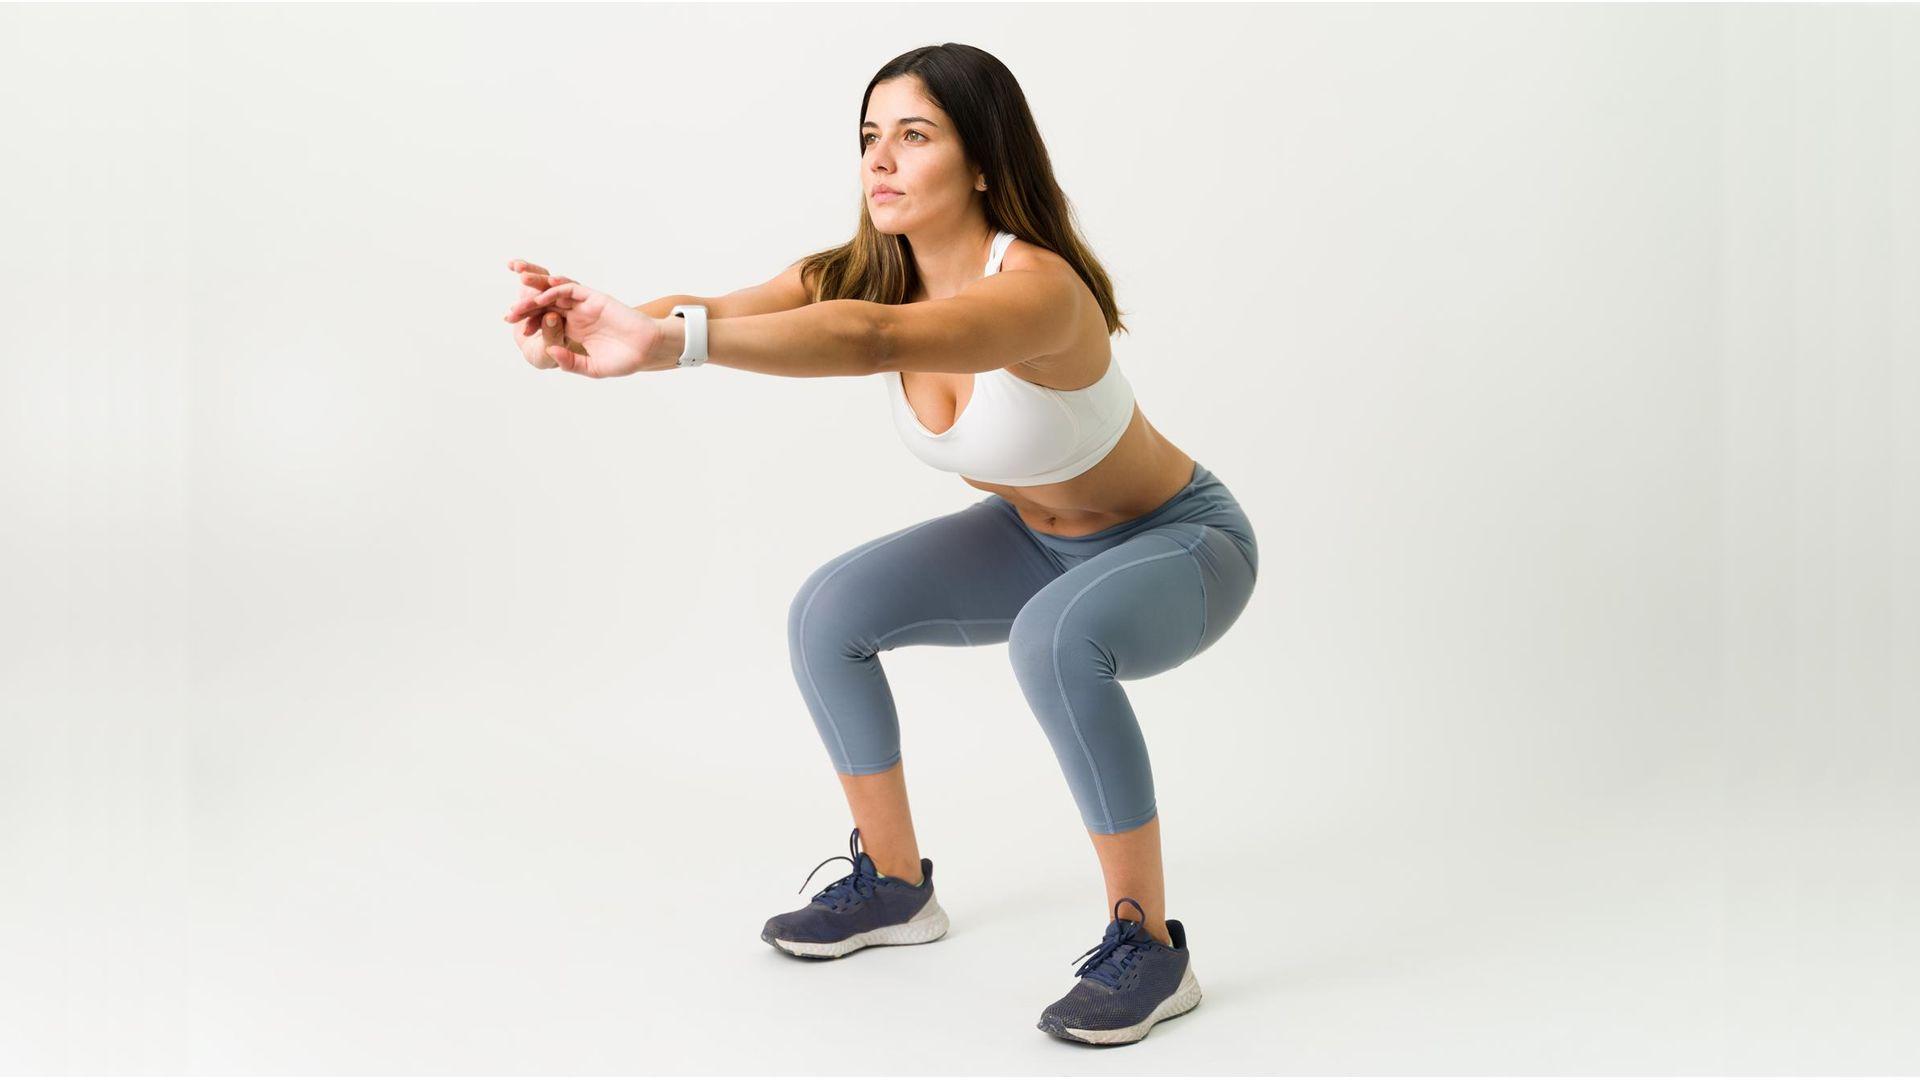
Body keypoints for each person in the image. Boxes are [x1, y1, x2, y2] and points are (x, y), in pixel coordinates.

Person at [500, 42, 1257, 1047]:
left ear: (983, 160)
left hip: (1180, 544)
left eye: (914, 135)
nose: (880, 161)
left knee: (1051, 641)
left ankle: (1152, 948)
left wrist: (670, 345)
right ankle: (896, 886)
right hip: (1036, 541)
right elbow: (721, 311)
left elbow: (879, 341)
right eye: (868, 137)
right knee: (830, 612)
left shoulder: (1038, 292)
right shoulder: (864, 270)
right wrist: (595, 322)